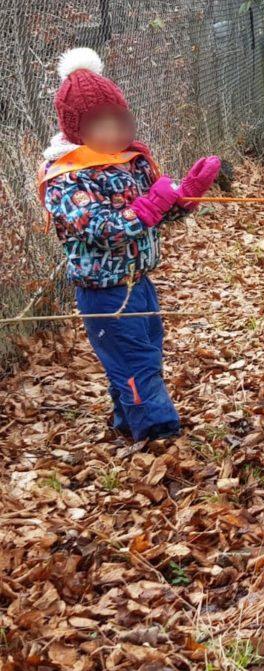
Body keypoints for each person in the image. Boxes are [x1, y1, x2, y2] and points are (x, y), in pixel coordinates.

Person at [40, 47, 222, 441]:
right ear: (76, 129)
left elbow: (152, 218)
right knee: (134, 361)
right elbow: (104, 229)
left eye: (117, 121)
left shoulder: (130, 161)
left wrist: (183, 197)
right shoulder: (67, 177)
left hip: (139, 283)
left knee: (148, 353)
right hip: (104, 293)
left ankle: (127, 419)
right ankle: (158, 432)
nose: (112, 132)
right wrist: (151, 205)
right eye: (98, 124)